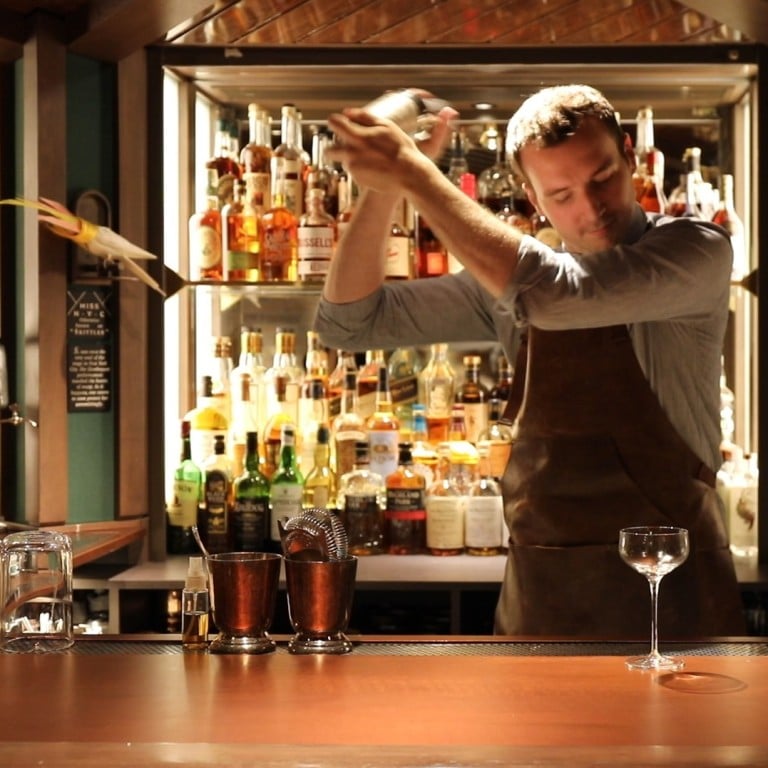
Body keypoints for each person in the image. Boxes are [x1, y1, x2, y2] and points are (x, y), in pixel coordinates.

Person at [315, 84, 745, 638]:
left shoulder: (695, 250)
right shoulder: (516, 284)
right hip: (541, 607)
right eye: (561, 194)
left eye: (602, 177)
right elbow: (350, 323)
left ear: (630, 157)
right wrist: (384, 187)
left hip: (674, 607)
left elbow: (558, 295)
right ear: (533, 199)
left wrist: (413, 172)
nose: (591, 208)